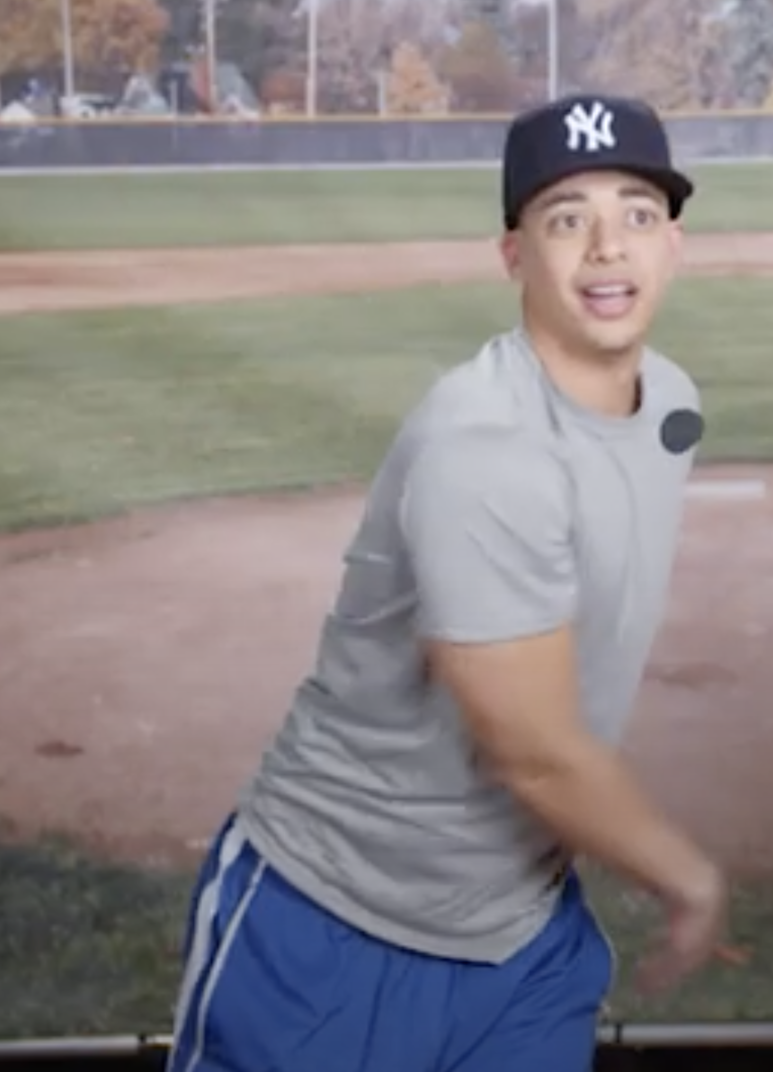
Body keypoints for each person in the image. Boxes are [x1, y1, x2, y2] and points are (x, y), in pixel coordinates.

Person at [165, 92, 730, 1072]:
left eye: (637, 213)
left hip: (522, 932)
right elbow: (534, 754)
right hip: (330, 922)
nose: (609, 247)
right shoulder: (484, 447)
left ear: (673, 243)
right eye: (567, 219)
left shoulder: (670, 399)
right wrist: (690, 877)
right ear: (514, 253)